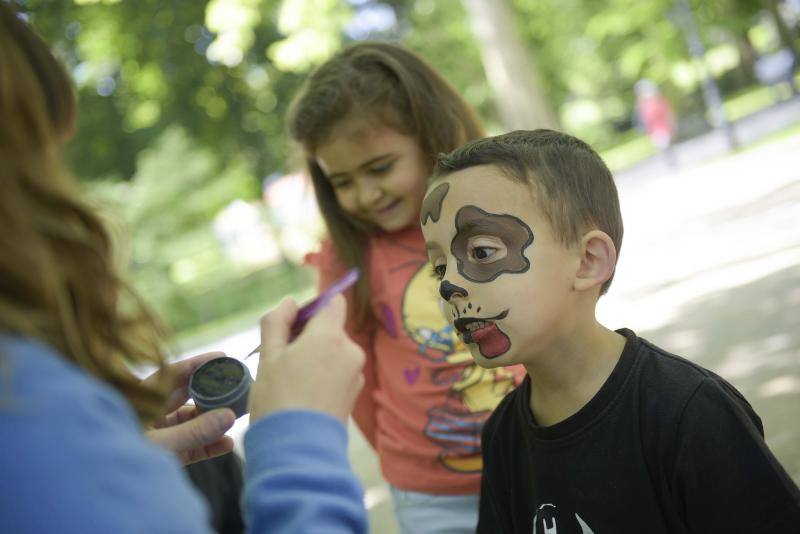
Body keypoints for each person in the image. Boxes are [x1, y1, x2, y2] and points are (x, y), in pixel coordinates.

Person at [0, 4, 367, 532]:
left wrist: (116, 447)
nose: (70, 200)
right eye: (46, 161)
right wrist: (298, 436)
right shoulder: (28, 413)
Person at [420, 129, 800, 532]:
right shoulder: (504, 435)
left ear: (588, 260)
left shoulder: (689, 412)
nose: (449, 286)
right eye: (440, 268)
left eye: (482, 252)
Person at [286, 41, 525, 532]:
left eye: (379, 169)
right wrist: (408, 466)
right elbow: (356, 375)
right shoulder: (345, 256)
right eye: (343, 181)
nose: (366, 194)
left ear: (430, 134)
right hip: (432, 497)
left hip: (538, 459)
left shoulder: (502, 211)